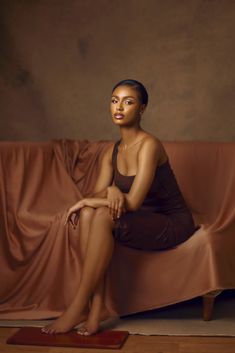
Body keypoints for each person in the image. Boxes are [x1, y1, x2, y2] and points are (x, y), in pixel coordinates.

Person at [42, 79, 198, 335]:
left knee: (99, 213)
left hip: (171, 222)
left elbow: (133, 202)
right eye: (115, 100)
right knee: (90, 213)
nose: (119, 107)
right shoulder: (111, 152)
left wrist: (90, 199)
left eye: (128, 101)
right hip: (143, 220)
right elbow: (97, 194)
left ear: (142, 109)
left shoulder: (150, 145)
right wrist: (111, 190)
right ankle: (96, 309)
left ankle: (80, 305)